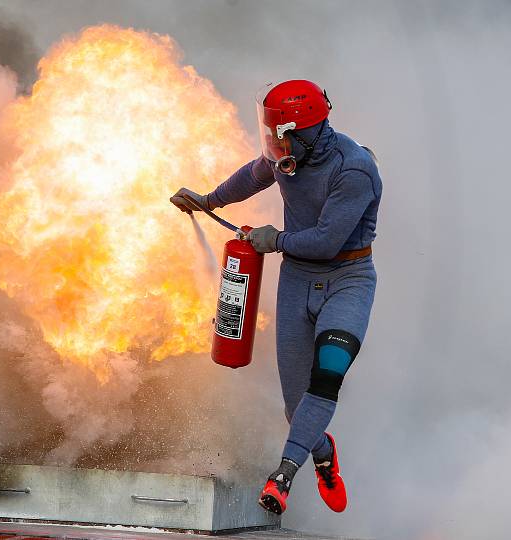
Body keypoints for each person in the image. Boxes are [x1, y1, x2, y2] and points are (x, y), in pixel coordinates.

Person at [170, 80, 382, 514]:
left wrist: (276, 239)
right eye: (269, 134)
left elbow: (325, 242)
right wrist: (207, 201)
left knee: (328, 373)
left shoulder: (354, 170)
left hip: (347, 280)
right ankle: (322, 452)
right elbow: (253, 175)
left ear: (304, 130)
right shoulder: (287, 157)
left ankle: (283, 475)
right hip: (297, 283)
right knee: (295, 406)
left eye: (279, 134)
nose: (272, 143)